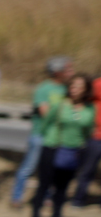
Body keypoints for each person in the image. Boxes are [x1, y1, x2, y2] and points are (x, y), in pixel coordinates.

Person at [30, 74, 97, 217]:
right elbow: (46, 123)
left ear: (86, 90)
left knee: (63, 187)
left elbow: (88, 130)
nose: (74, 89)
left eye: (79, 87)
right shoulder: (60, 104)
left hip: (73, 151)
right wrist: (49, 139)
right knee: (44, 184)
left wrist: (79, 144)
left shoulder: (89, 109)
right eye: (72, 86)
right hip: (53, 147)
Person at [13, 58, 71, 206]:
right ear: (58, 71)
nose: (71, 72)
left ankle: (45, 196)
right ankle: (16, 197)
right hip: (40, 135)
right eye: (68, 69)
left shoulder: (66, 90)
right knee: (28, 168)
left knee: (50, 169)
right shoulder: (43, 89)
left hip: (57, 137)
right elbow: (45, 113)